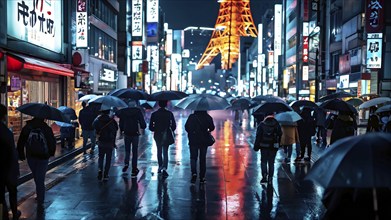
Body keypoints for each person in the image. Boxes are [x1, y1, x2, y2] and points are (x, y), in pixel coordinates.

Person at [17, 115, 56, 211]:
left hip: (31, 156)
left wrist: (21, 155)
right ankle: (40, 199)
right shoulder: (46, 128)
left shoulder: (28, 127)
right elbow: (52, 141)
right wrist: (51, 153)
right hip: (43, 157)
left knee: (36, 176)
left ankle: (39, 196)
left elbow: (21, 141)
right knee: (40, 178)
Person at [0, 104, 21, 220]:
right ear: (3, 116)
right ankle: (13, 212)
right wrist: (15, 169)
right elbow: (12, 152)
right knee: (12, 191)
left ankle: (3, 213)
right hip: (7, 167)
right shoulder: (6, 132)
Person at [117, 100, 146, 177]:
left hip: (127, 133)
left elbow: (121, 121)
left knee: (127, 150)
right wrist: (143, 126)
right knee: (135, 151)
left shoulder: (124, 111)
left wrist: (122, 130)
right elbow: (142, 123)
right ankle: (134, 168)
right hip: (135, 133)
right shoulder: (137, 111)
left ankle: (126, 163)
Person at [185, 110, 215, 184]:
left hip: (193, 139)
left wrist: (192, 132)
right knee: (202, 159)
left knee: (193, 157)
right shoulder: (208, 117)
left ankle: (194, 173)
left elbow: (186, 127)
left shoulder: (191, 117)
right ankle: (202, 177)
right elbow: (212, 127)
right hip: (204, 140)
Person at [149, 100, 176, 178]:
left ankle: (160, 166)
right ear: (166, 105)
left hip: (157, 135)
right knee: (165, 151)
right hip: (167, 134)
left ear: (159, 105)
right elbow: (174, 126)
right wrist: (169, 129)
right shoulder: (169, 114)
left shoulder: (154, 114)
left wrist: (156, 128)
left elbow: (151, 127)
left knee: (159, 150)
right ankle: (165, 167)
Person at [253, 114, 282, 184]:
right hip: (273, 146)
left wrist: (256, 145)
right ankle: (270, 178)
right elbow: (280, 134)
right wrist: (279, 143)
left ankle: (264, 176)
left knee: (263, 161)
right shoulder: (276, 124)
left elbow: (258, 136)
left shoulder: (262, 124)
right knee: (271, 162)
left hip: (263, 146)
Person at [93, 109, 118, 181]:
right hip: (109, 142)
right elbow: (115, 130)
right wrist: (114, 142)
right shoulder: (111, 121)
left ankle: (100, 169)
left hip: (101, 141)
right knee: (108, 158)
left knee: (101, 157)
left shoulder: (97, 120)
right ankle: (106, 174)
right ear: (108, 113)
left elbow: (93, 126)